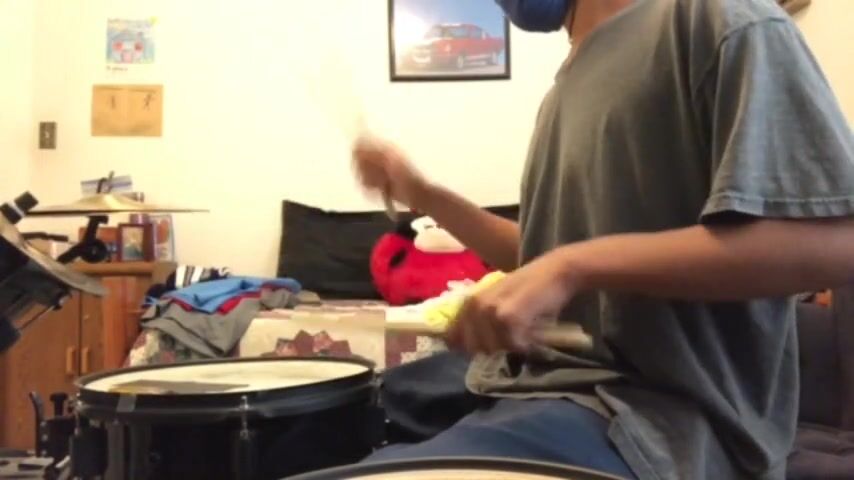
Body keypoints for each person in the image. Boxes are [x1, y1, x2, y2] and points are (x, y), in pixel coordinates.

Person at [352, 0, 854, 478]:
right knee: (352, 407)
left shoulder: (720, 20)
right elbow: (544, 252)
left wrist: (572, 267)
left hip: (655, 424)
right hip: (534, 390)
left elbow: (836, 242)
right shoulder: (565, 86)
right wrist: (423, 194)